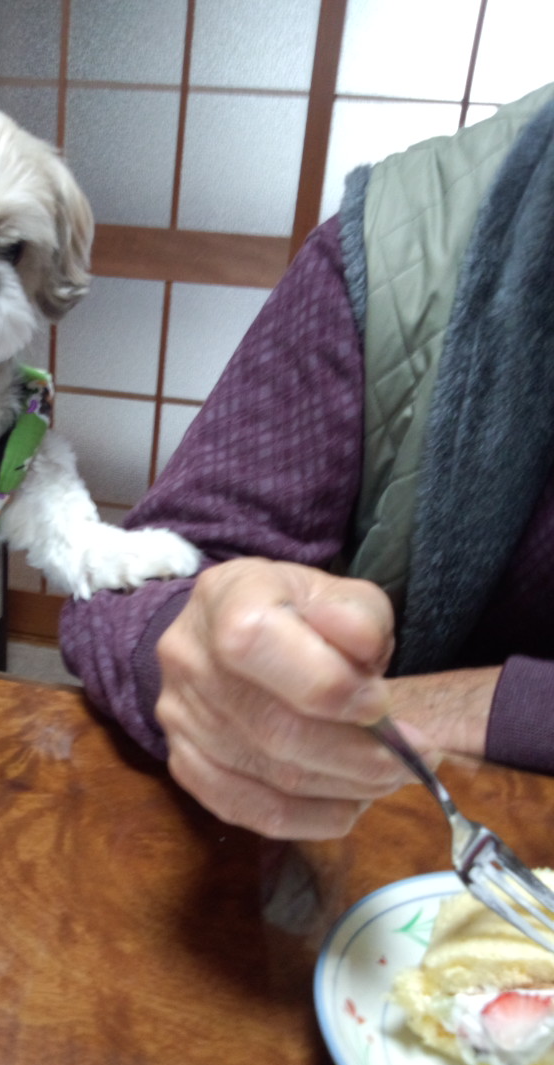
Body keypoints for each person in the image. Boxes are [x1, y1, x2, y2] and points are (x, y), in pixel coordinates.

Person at [59, 81, 554, 840]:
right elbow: (150, 581)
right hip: (378, 845)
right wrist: (206, 661)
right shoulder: (401, 239)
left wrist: (483, 704)